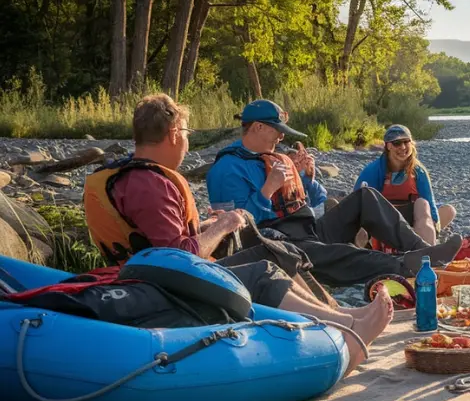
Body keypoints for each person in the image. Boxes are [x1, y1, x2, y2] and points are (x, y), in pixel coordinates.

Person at [82, 94, 388, 371]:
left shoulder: (134, 177)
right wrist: (223, 226)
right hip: (160, 286)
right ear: (174, 134)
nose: (186, 144)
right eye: (185, 134)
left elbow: (160, 241)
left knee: (275, 250)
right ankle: (346, 330)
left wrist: (206, 226)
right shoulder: (149, 184)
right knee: (262, 271)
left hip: (152, 274)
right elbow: (175, 257)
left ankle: (339, 315)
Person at [205, 99, 462, 286]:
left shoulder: (274, 158)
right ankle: (406, 266)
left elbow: (315, 200)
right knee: (344, 254)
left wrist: (307, 178)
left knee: (366, 197)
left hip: (308, 229)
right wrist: (267, 189)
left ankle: (423, 253)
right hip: (279, 245)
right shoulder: (226, 169)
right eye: (277, 131)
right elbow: (235, 233)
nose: (280, 139)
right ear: (258, 127)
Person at [353, 124, 456, 246]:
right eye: (397, 143)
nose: (402, 147)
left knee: (425, 204)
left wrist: (435, 226)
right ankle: (362, 252)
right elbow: (358, 203)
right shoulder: (372, 171)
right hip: (384, 220)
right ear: (388, 146)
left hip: (411, 221)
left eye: (406, 142)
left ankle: (426, 250)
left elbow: (429, 202)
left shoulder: (419, 172)